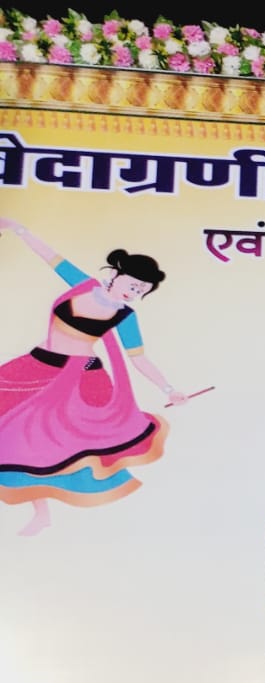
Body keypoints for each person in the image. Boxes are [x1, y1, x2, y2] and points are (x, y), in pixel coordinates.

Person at [0, 220, 193, 535]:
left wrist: (168, 389)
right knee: (13, 437)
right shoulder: (82, 284)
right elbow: (51, 257)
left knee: (45, 444)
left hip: (80, 377)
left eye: (141, 291)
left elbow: (138, 358)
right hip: (37, 365)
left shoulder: (125, 316)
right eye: (133, 284)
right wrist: (18, 228)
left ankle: (41, 513)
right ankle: (41, 511)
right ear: (117, 275)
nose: (134, 292)